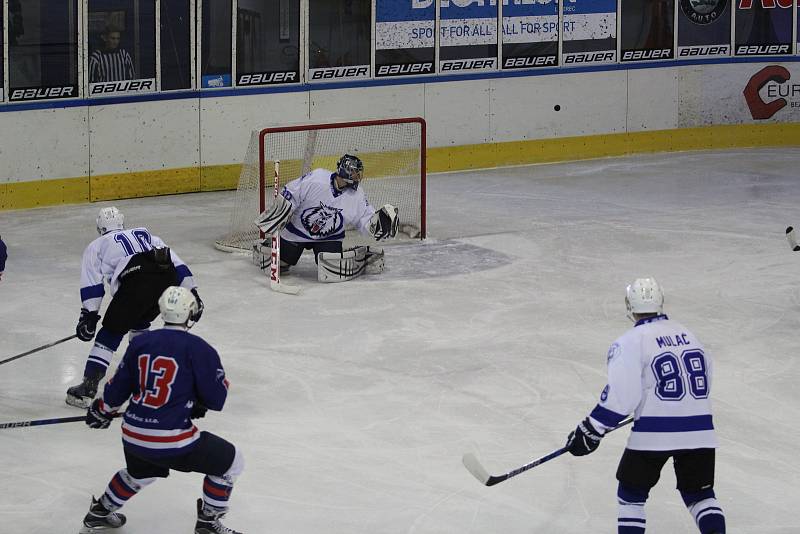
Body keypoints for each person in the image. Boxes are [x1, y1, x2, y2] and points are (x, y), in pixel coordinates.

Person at [565, 278, 726, 534]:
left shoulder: (629, 341)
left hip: (654, 434)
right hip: (700, 430)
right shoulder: (689, 334)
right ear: (660, 302)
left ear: (629, 306)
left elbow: (623, 396)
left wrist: (590, 429)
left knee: (631, 494)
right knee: (700, 495)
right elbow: (705, 379)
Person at [80, 286, 243, 534]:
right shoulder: (199, 348)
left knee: (140, 472)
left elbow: (118, 386)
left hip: (133, 434)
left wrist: (102, 410)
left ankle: (99, 512)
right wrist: (197, 399)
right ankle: (208, 523)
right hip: (171, 440)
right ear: (191, 313)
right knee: (231, 462)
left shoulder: (141, 342)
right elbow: (216, 399)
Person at [66, 206, 203, 409]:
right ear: (122, 223)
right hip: (165, 279)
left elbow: (92, 283)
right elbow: (175, 261)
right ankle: (145, 381)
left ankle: (87, 388)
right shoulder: (147, 234)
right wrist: (192, 293)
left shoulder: (97, 245)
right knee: (139, 321)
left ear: (100, 228)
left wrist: (89, 315)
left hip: (136, 281)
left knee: (110, 333)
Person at [254, 154, 399, 280]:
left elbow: (364, 219)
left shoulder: (357, 195)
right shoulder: (317, 179)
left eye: (358, 173)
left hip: (329, 237)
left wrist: (378, 224)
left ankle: (363, 255)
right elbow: (291, 192)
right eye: (355, 173)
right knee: (282, 263)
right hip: (296, 233)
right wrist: (281, 210)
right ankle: (265, 246)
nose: (357, 176)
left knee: (333, 269)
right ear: (345, 172)